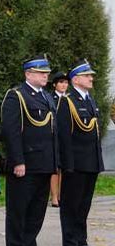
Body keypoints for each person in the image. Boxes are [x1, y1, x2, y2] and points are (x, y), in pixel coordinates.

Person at [0, 55, 58, 246]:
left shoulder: (47, 97)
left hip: (44, 163)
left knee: (36, 210)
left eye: (46, 72)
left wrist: (55, 161)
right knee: (19, 210)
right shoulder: (17, 96)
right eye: (41, 72)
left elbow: (53, 133)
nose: (46, 76)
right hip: (26, 163)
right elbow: (11, 131)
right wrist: (17, 161)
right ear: (28, 74)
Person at [57, 59, 103, 246]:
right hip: (75, 162)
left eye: (91, 75)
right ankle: (70, 241)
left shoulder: (89, 100)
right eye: (87, 75)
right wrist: (67, 163)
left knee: (84, 202)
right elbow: (64, 136)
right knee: (71, 203)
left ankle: (81, 238)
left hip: (90, 160)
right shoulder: (67, 101)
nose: (91, 78)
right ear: (76, 79)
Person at [49, 71, 70, 208]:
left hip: (67, 137)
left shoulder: (69, 99)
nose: (64, 85)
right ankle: (54, 197)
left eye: (66, 83)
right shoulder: (51, 99)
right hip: (53, 137)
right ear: (55, 84)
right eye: (61, 82)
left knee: (64, 167)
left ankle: (62, 195)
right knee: (55, 168)